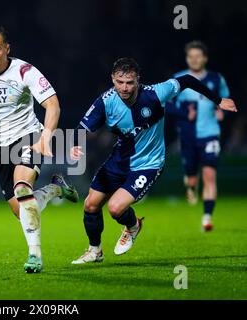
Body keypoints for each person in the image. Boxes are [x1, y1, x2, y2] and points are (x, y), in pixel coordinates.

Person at [69, 57, 237, 264]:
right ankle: (95, 251)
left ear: (138, 80)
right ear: (112, 79)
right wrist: (75, 144)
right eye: (120, 82)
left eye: (130, 82)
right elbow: (82, 128)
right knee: (90, 205)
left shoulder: (156, 93)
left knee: (115, 208)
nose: (125, 87)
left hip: (148, 163)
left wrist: (218, 100)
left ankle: (133, 226)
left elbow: (187, 80)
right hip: (119, 161)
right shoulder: (105, 101)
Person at [0, 26, 79, 273]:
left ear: (7, 48)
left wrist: (46, 137)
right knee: (22, 210)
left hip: (28, 136)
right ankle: (56, 188)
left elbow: (53, 105)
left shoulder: (25, 71)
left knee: (23, 188)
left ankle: (34, 255)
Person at [166, 41, 230, 231]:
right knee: (192, 179)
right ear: (187, 59)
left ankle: (207, 217)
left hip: (210, 134)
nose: (194, 59)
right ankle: (191, 187)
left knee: (210, 175)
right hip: (187, 137)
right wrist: (185, 114)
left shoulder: (216, 79)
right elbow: (165, 104)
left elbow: (224, 100)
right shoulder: (178, 80)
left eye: (198, 56)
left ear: (205, 58)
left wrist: (222, 112)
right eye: (190, 56)